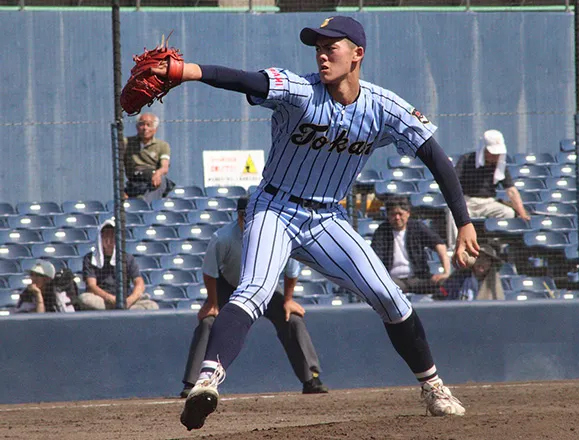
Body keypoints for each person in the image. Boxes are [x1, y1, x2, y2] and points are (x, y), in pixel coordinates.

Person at [150, 15, 479, 430]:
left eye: (331, 46)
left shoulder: (383, 106)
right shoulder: (301, 90)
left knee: (391, 297)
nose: (322, 54)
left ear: (357, 54)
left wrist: (463, 220)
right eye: (318, 47)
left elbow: (435, 156)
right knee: (254, 290)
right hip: (275, 208)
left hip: (327, 218)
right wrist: (187, 71)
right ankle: (207, 381)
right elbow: (247, 81)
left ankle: (433, 387)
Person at [180, 197, 328, 398]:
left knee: (292, 320)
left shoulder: (276, 236)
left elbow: (292, 269)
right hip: (229, 287)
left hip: (263, 287)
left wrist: (288, 300)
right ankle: (193, 383)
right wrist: (213, 303)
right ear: (238, 216)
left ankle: (311, 378)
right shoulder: (222, 238)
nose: (246, 219)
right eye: (243, 215)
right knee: (209, 322)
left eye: (251, 215)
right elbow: (210, 272)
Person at [371, 197, 451, 297]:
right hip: (392, 280)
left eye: (400, 214)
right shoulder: (382, 231)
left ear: (408, 213)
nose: (397, 218)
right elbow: (375, 258)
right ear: (387, 215)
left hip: (419, 278)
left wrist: (446, 272)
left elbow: (440, 245)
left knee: (444, 283)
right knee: (385, 289)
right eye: (393, 214)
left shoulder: (417, 227)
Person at [78, 218, 159, 310]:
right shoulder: (90, 259)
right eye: (106, 237)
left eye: (112, 237)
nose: (109, 241)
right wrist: (110, 298)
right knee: (85, 299)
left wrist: (130, 300)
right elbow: (91, 286)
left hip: (126, 300)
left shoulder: (128, 258)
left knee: (152, 306)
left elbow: (139, 283)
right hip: (103, 300)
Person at [454, 129, 530, 220]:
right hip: (467, 202)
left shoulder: (500, 165)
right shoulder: (466, 160)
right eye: (493, 153)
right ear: (484, 150)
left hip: (489, 203)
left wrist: (522, 213)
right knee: (453, 213)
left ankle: (497, 234)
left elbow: (511, 190)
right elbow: (453, 183)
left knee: (508, 213)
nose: (496, 156)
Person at [124, 112, 175, 203]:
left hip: (153, 179)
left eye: (149, 125)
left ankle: (148, 206)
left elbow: (164, 167)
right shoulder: (127, 143)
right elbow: (118, 165)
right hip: (135, 180)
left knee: (160, 181)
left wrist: (158, 173)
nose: (145, 128)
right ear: (137, 127)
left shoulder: (162, 145)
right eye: (142, 124)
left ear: (155, 129)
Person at [439, 245, 505, 301]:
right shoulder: (458, 277)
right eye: (479, 257)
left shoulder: (496, 283)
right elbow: (443, 294)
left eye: (487, 259)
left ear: (491, 264)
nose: (482, 262)